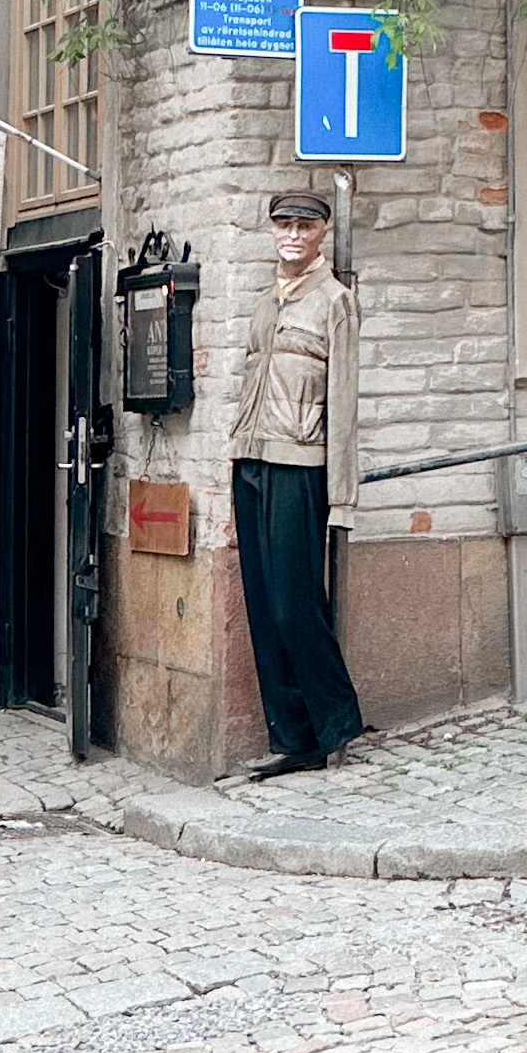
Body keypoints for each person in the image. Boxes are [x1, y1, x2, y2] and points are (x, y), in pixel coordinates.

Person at [228, 189, 367, 774]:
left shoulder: (335, 301)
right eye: (283, 224)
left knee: (294, 604)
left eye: (304, 226)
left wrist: (341, 496)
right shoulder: (266, 301)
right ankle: (291, 736)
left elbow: (345, 402)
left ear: (321, 233)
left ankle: (335, 722)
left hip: (300, 465)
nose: (292, 234)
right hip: (251, 460)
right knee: (262, 604)